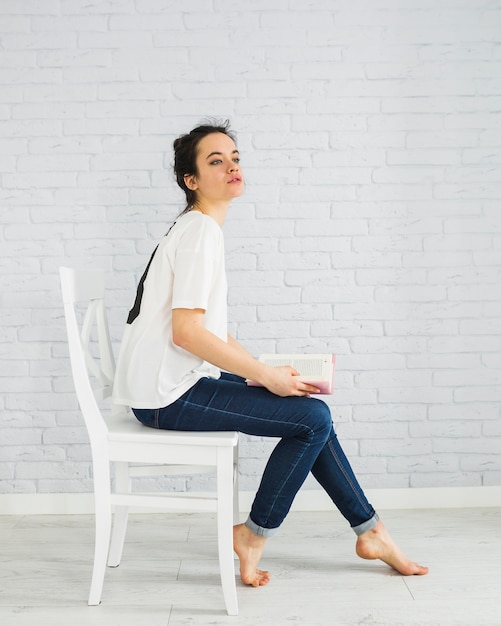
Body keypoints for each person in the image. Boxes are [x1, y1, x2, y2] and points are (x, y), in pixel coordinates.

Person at [113, 120, 428, 587]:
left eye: (235, 158)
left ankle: (371, 532)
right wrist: (263, 375)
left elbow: (210, 332)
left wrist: (265, 373)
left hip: (167, 383)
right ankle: (254, 536)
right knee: (313, 419)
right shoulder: (200, 233)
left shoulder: (196, 229)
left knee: (307, 412)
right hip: (166, 394)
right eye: (215, 161)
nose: (231, 167)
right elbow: (186, 334)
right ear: (191, 181)